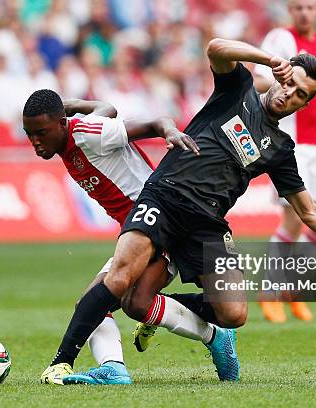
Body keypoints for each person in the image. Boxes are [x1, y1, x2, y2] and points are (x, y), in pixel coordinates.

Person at [42, 37, 316, 385]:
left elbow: (310, 213)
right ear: (281, 75)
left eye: (301, 95)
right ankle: (61, 363)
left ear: (304, 105)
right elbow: (216, 48)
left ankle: (170, 314)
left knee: (234, 314)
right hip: (163, 199)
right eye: (290, 83)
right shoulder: (238, 89)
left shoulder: (279, 149)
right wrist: (267, 58)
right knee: (121, 280)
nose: (290, 94)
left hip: (208, 223)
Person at [23, 90, 240, 385]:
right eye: (29, 134)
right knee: (128, 304)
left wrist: (170, 131)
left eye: (41, 133)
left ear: (61, 123)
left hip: (159, 219)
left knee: (101, 302)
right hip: (141, 231)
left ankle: (66, 363)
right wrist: (71, 105)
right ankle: (118, 367)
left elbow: (155, 122)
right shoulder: (73, 137)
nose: (35, 142)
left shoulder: (88, 134)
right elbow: (107, 109)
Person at [253, 0, 316, 322]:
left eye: (311, 7)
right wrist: (284, 85)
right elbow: (259, 80)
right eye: (299, 7)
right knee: (294, 220)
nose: (305, 12)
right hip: (293, 143)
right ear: (291, 9)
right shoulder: (280, 40)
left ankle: (289, 286)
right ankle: (270, 291)